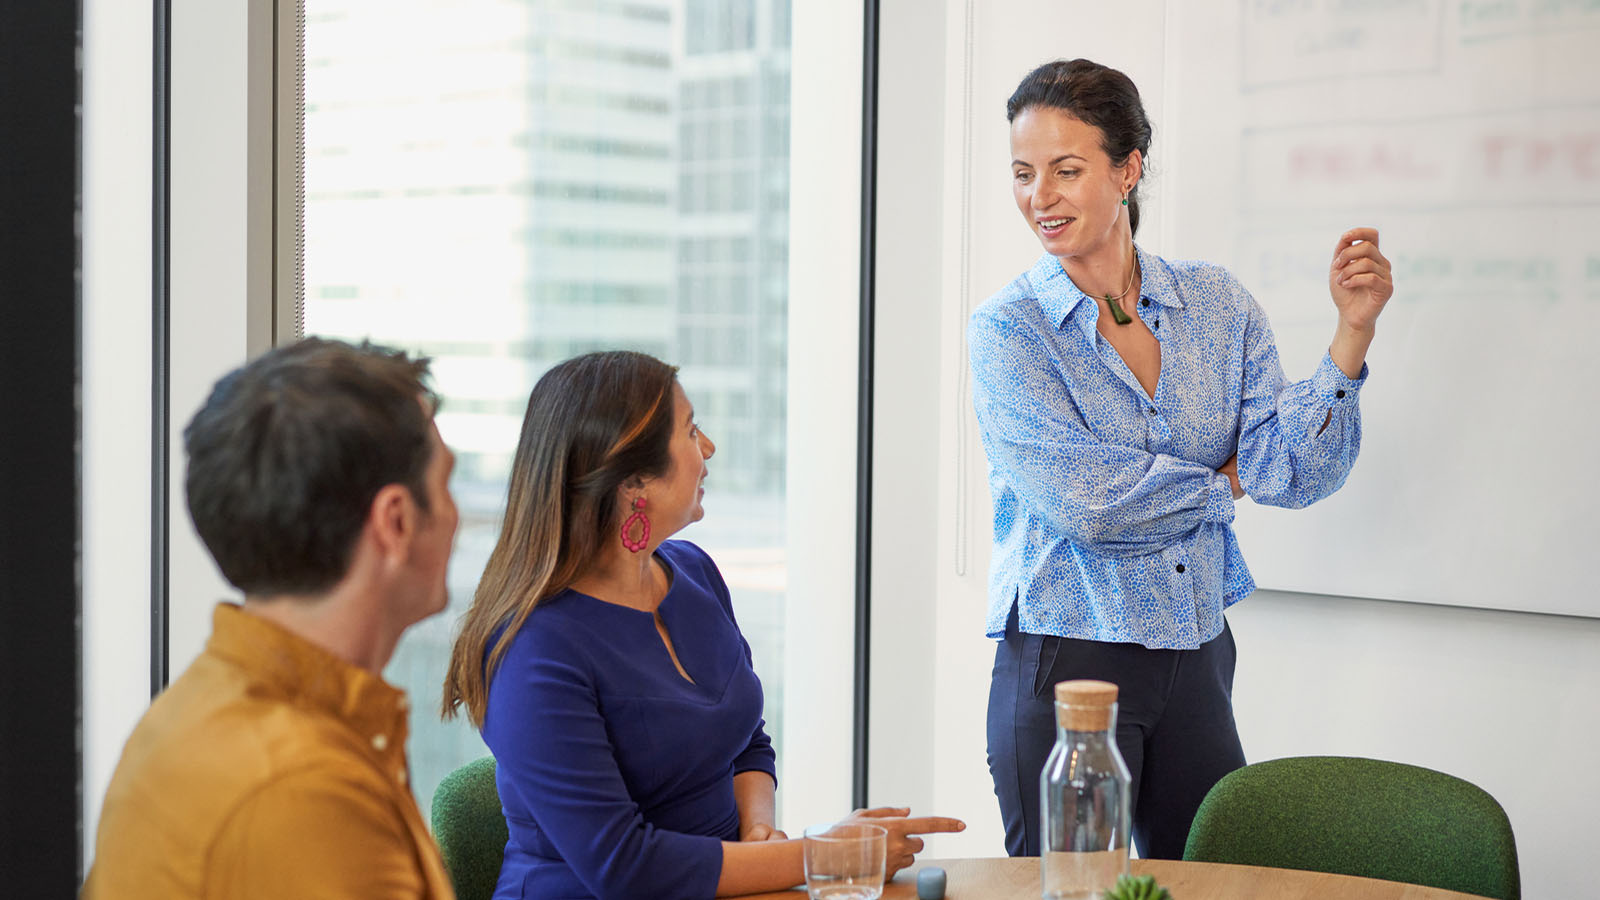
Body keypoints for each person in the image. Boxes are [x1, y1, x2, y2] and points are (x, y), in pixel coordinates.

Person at [969, 59, 1394, 860]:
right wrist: (1221, 479)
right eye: (1024, 174)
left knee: (1217, 876)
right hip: (1070, 653)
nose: (1040, 197)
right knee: (1071, 887)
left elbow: (1291, 471)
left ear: (1128, 170)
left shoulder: (1217, 304)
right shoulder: (1010, 330)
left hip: (1196, 650)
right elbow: (1091, 504)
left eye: (1066, 170)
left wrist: (1350, 337)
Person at [442, 350, 964, 900]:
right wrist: (826, 856)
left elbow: (746, 742)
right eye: (691, 432)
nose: (708, 448)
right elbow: (626, 868)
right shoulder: (531, 651)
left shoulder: (693, 573)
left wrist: (760, 832)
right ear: (634, 481)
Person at [83, 339, 459, 899]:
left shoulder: (209, 708)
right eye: (446, 483)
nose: (457, 516)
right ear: (396, 523)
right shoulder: (300, 792)